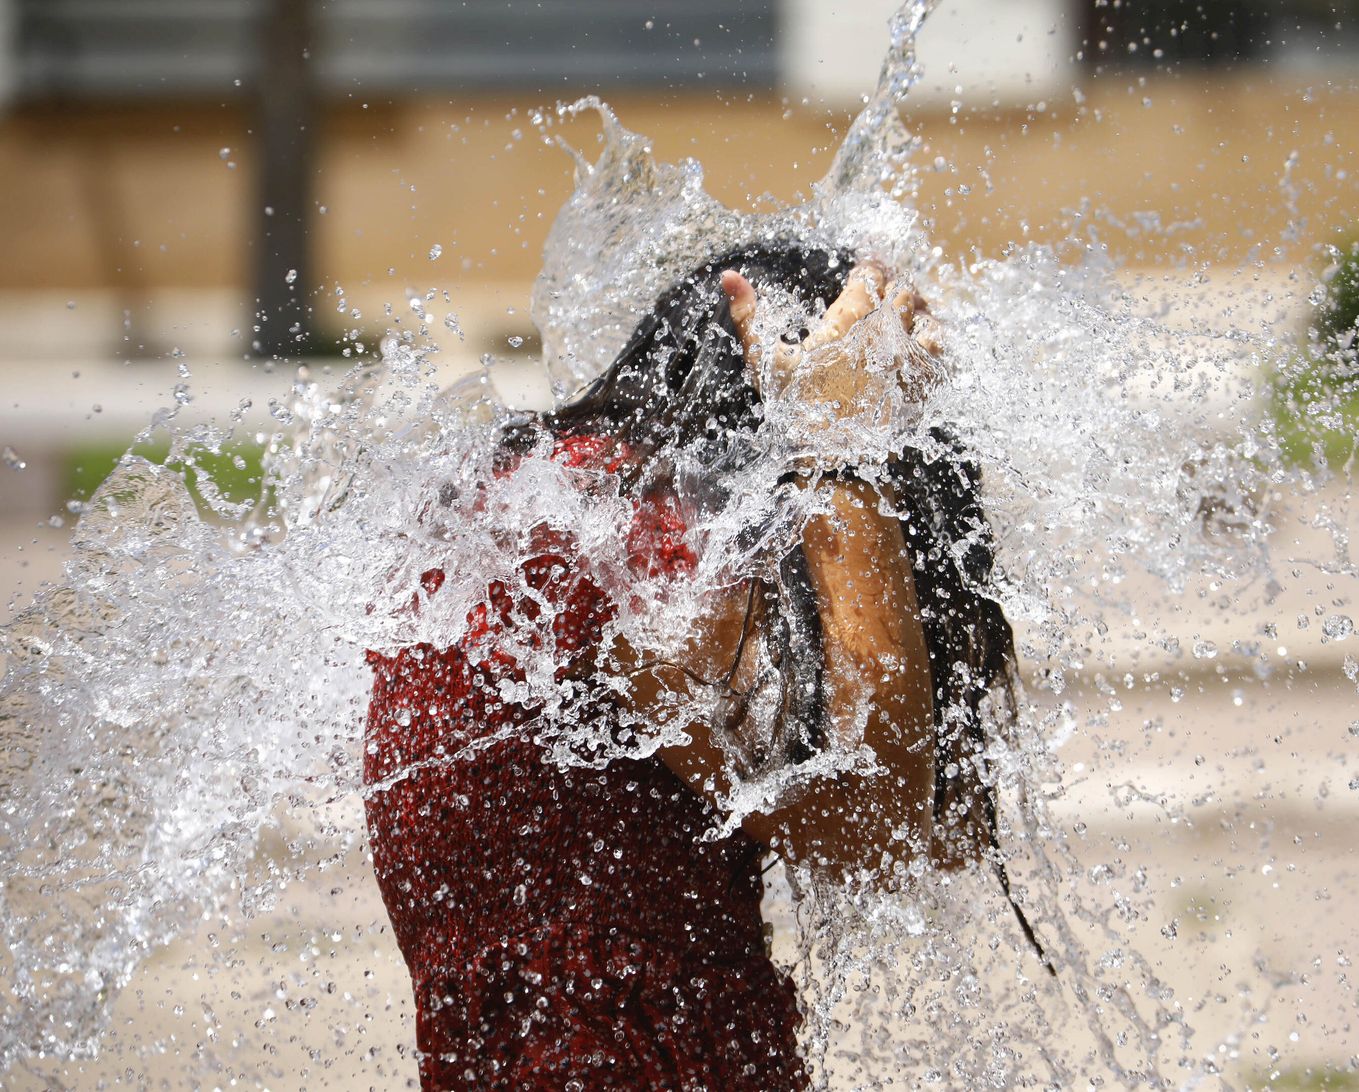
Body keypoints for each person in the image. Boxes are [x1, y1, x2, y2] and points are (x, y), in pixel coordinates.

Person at [362, 244, 1026, 1090]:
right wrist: (843, 448)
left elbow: (950, 820)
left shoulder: (515, 499)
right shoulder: (642, 547)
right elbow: (880, 831)